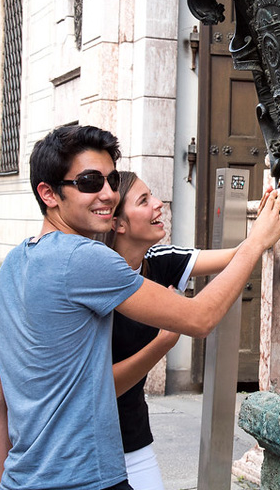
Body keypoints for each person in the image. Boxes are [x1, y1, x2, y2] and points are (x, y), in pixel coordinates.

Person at [0, 125, 280, 490]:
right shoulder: (85, 258)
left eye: (111, 180)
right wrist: (257, 243)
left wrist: (13, 481)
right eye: (91, 181)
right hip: (88, 479)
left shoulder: (13, 263)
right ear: (48, 193)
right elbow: (200, 318)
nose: (108, 194)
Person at [101, 171, 243, 490]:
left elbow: (235, 258)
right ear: (118, 223)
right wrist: (164, 343)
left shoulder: (159, 261)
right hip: (88, 442)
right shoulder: (96, 277)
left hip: (134, 437)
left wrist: (269, 223)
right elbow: (102, 385)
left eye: (153, 195)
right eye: (144, 200)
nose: (158, 205)